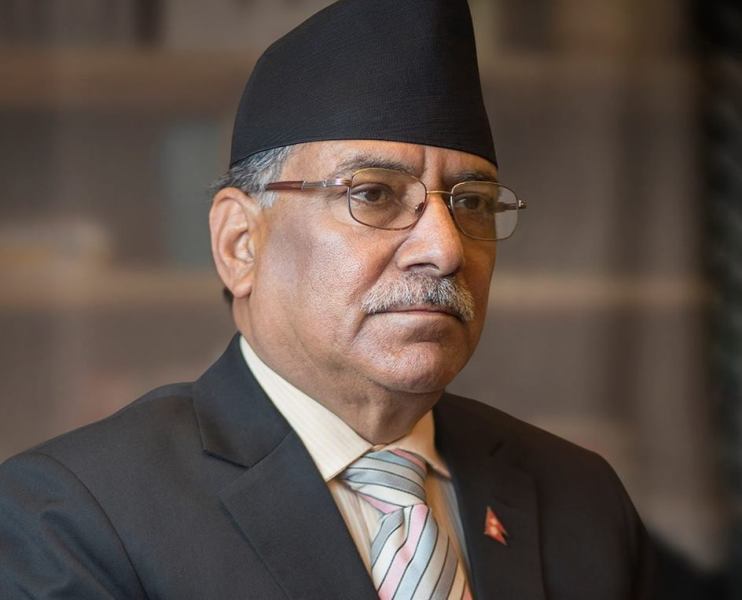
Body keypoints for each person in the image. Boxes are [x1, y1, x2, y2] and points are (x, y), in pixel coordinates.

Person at [0, 0, 656, 598]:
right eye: (373, 194)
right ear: (240, 242)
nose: (445, 248)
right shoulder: (73, 516)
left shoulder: (581, 499)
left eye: (474, 203)